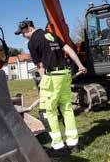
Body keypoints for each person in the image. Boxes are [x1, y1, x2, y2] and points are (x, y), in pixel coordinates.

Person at [14, 19, 87, 156]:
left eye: (22, 33)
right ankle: (73, 144)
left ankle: (58, 147)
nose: (23, 36)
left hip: (52, 77)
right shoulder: (51, 35)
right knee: (66, 109)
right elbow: (68, 49)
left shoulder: (32, 42)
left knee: (49, 112)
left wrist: (43, 83)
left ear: (27, 28)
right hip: (65, 74)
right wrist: (80, 65)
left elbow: (40, 66)